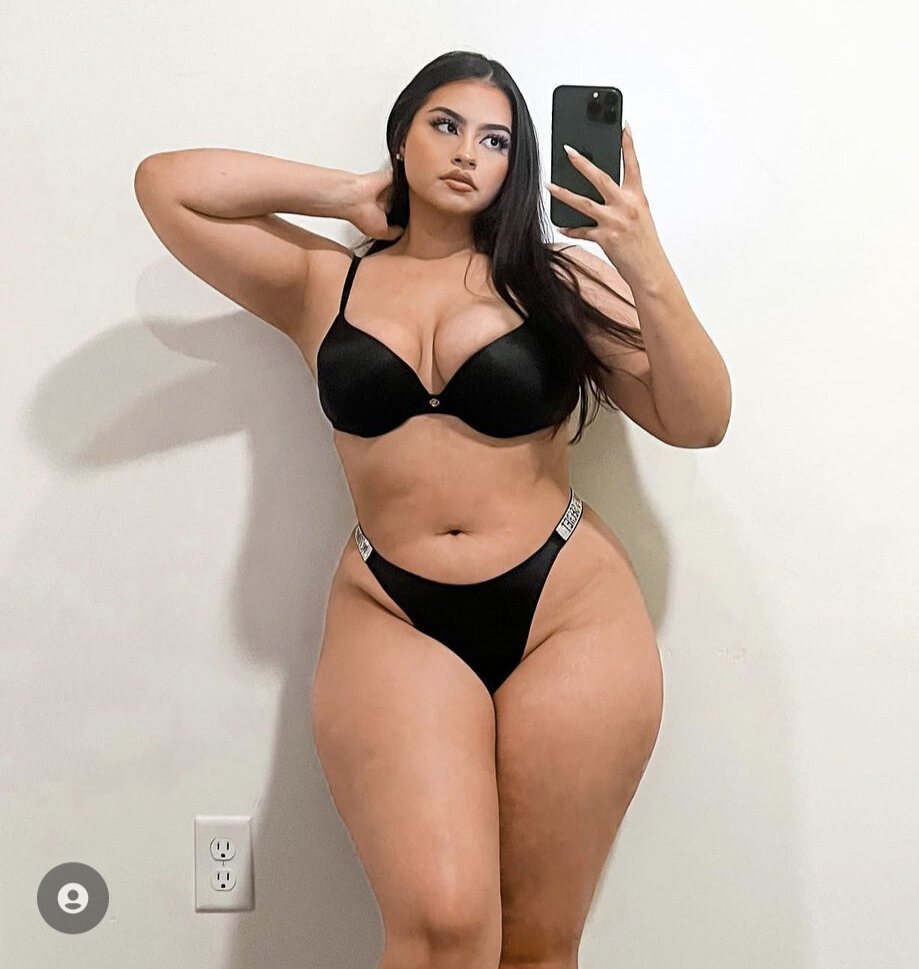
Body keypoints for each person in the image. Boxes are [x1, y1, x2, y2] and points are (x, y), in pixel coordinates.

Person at [133, 49, 731, 969]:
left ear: (517, 163)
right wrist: (345, 193)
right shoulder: (323, 282)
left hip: (567, 611)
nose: (465, 153)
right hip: (392, 608)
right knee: (441, 931)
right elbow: (168, 186)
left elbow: (699, 421)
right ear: (403, 135)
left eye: (495, 139)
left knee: (537, 944)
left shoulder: (560, 281)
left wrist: (641, 258)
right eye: (444, 125)